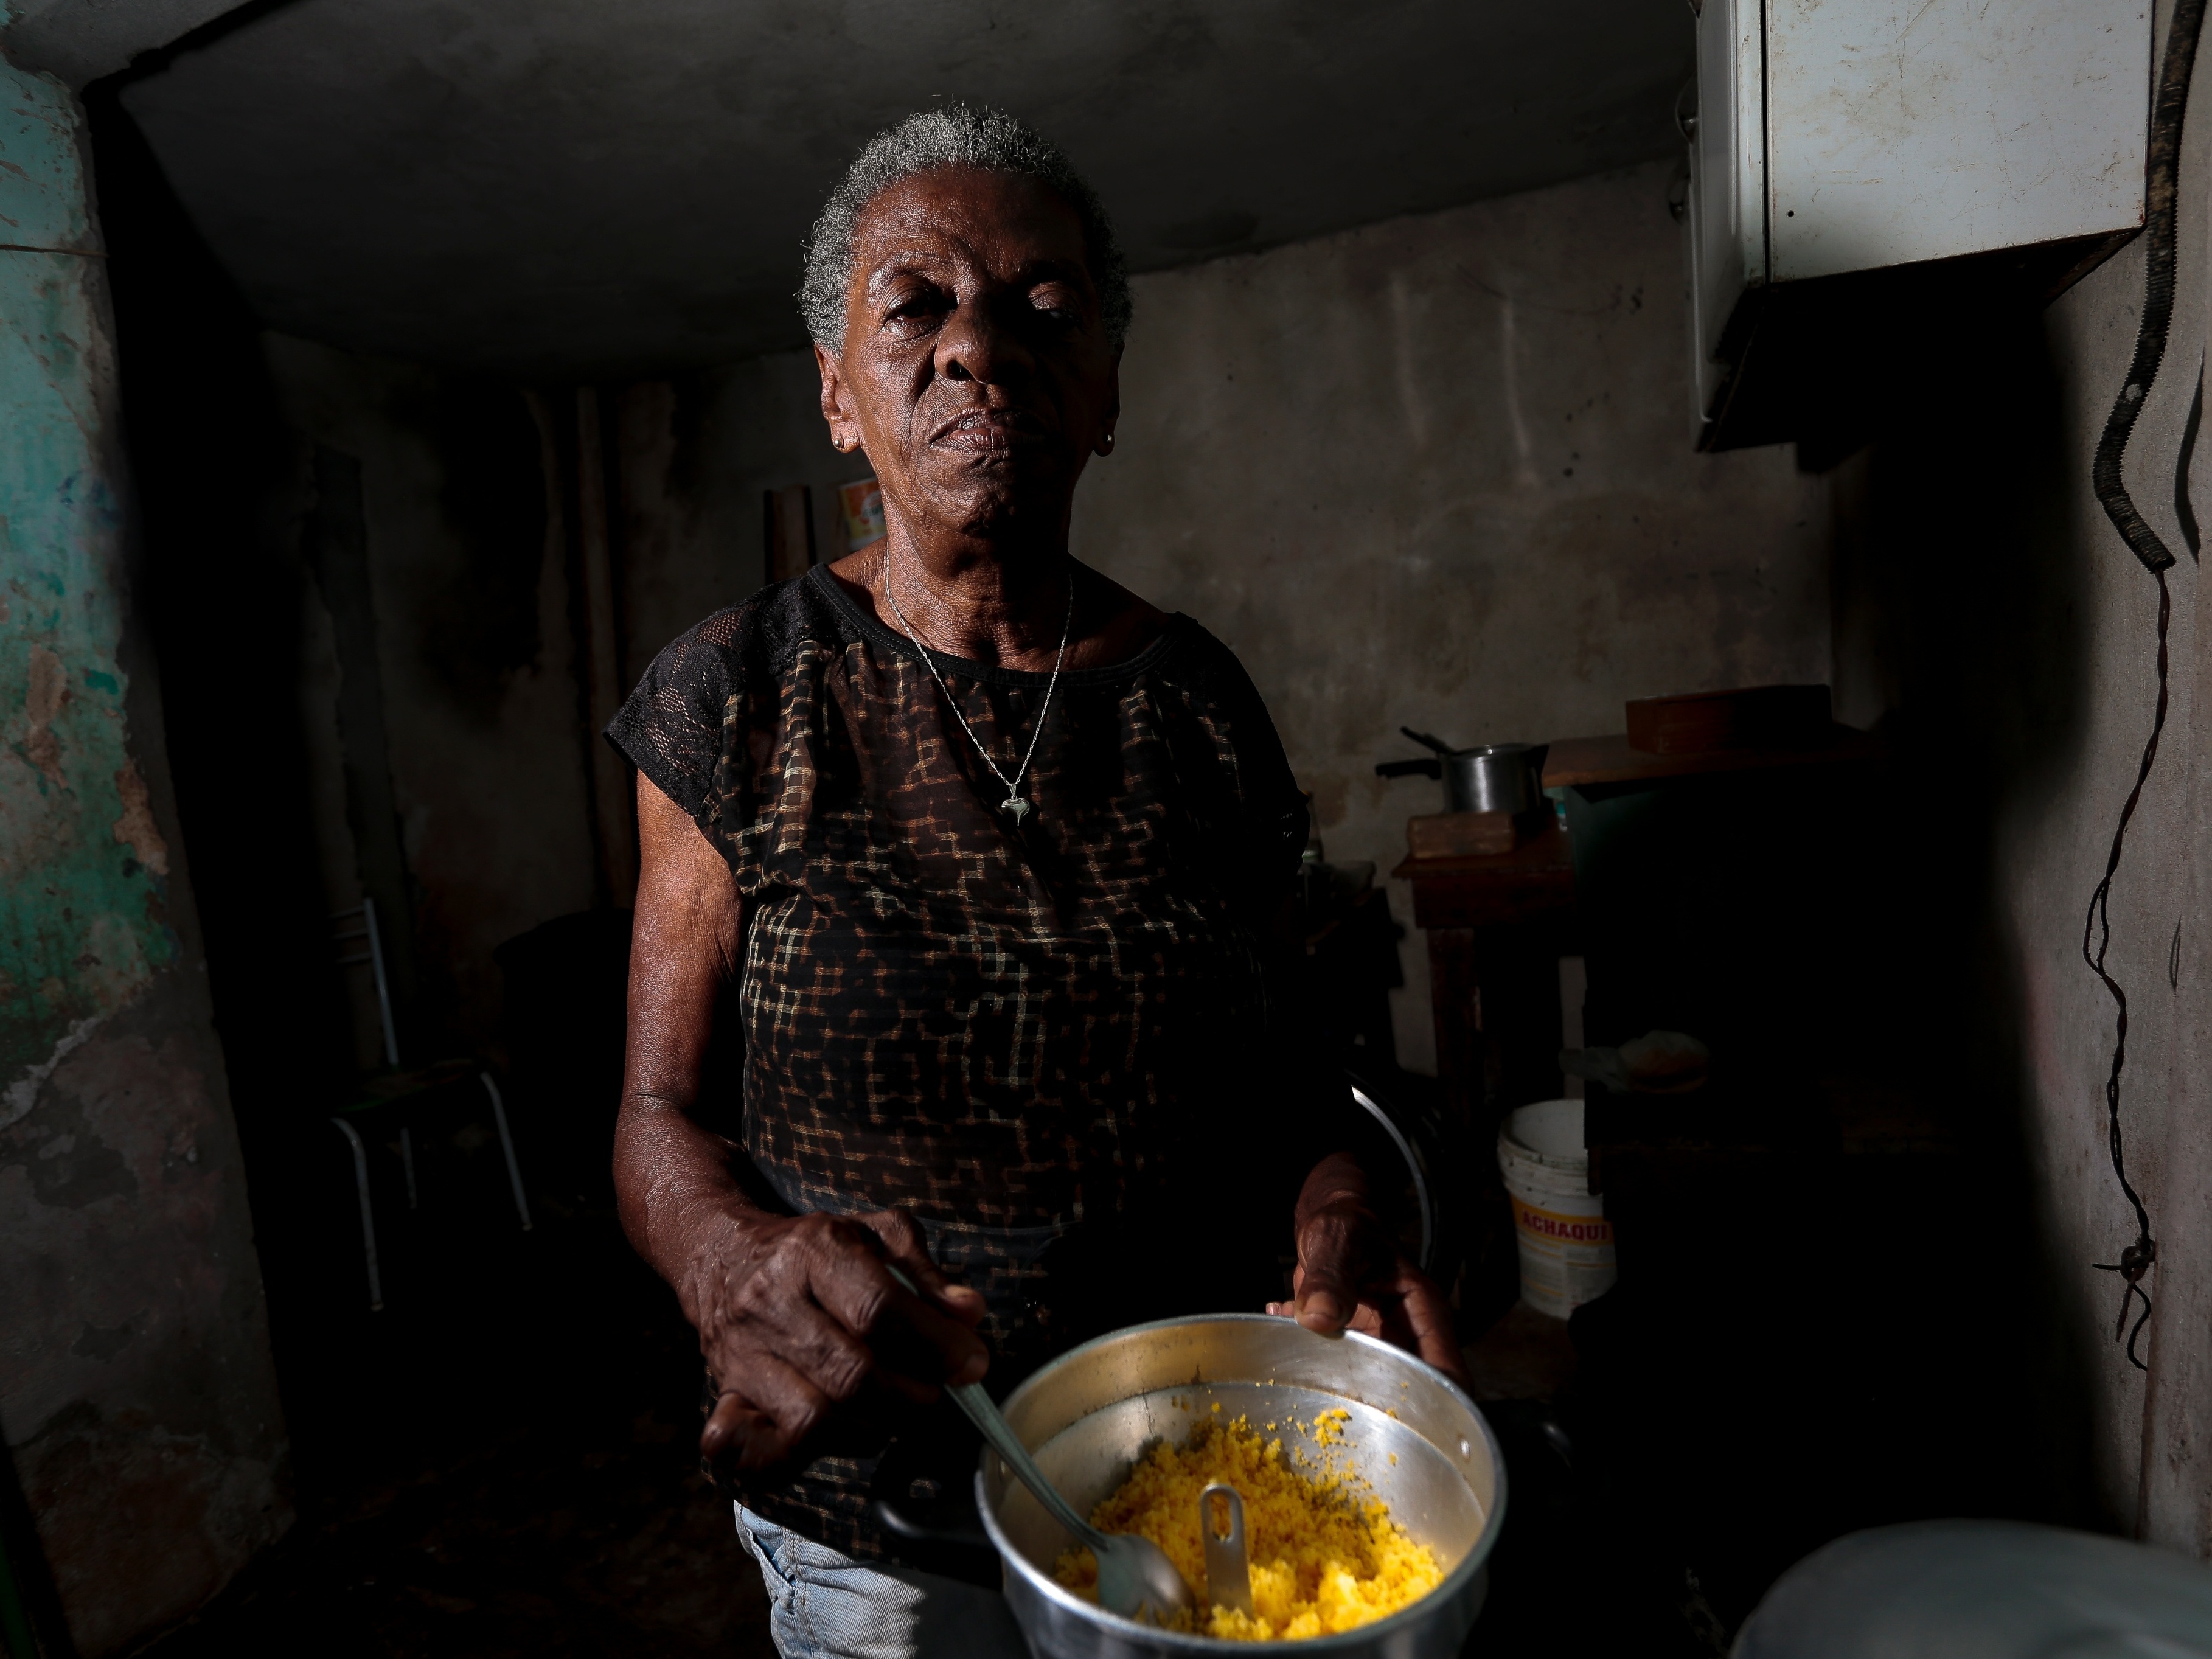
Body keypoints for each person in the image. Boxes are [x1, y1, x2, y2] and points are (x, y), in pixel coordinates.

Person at [607, 102, 1462, 1659]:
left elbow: (1290, 1066)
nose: (978, 349)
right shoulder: (733, 692)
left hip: (1187, 1460)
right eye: (916, 305)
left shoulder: (1198, 703)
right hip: (883, 1507)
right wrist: (724, 1254)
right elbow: (658, 1119)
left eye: (1045, 308)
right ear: (837, 396)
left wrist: (1342, 1183)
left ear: (1109, 393)